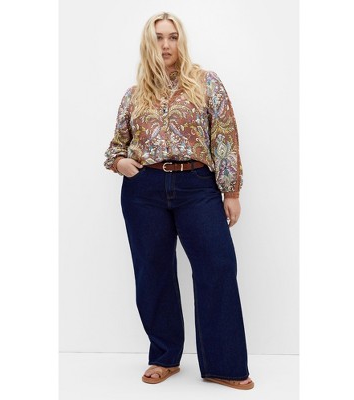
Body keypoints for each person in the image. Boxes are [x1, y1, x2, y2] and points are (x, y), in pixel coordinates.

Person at [104, 11, 254, 390]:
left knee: (217, 266)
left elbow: (224, 136)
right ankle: (164, 357)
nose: (166, 44)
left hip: (197, 186)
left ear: (181, 41)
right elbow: (116, 146)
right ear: (148, 43)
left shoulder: (206, 83)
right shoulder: (134, 95)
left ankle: (224, 365)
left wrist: (231, 191)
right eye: (159, 38)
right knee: (153, 272)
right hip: (144, 190)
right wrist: (122, 163)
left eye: (172, 37)